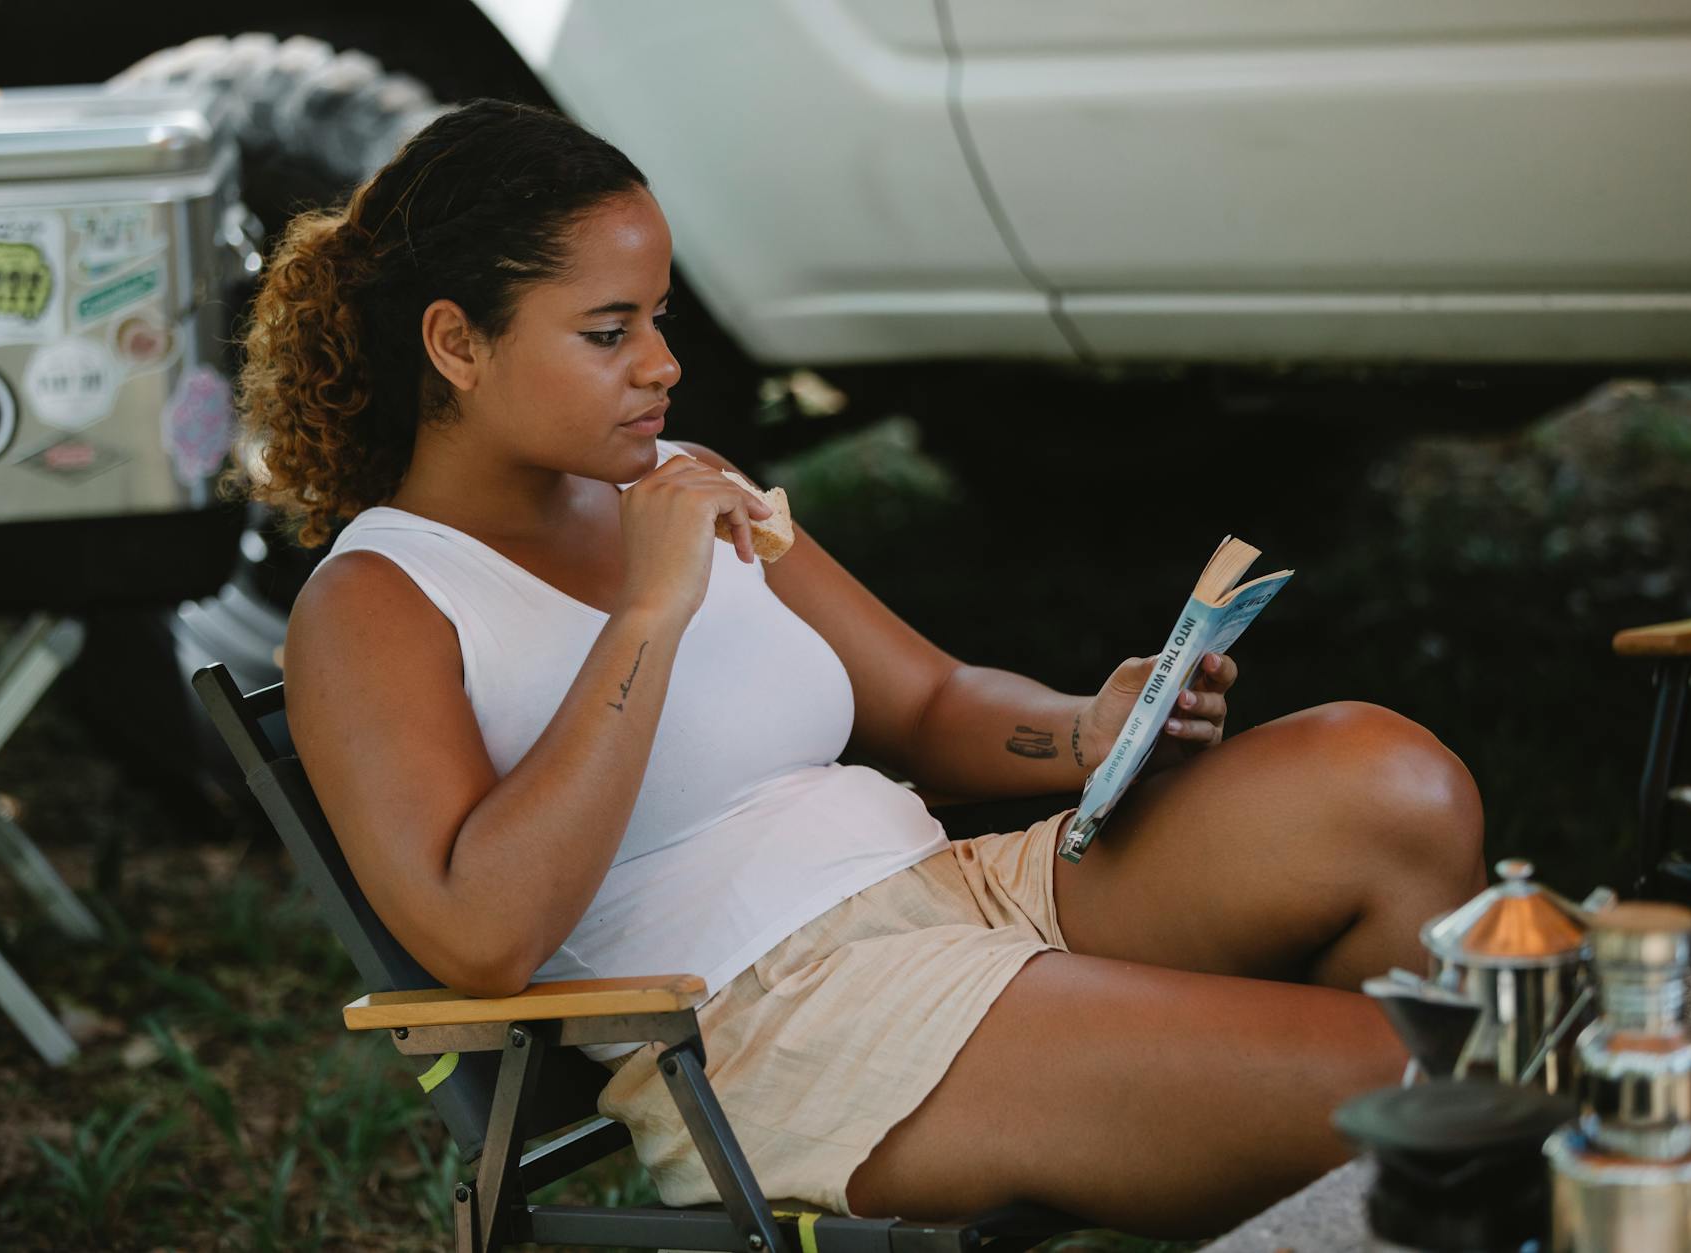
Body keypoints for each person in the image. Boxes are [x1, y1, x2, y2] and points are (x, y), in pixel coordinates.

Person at [241, 99, 1486, 1237]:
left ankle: (1422, 1194)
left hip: (955, 888)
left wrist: (1086, 730)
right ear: (456, 344)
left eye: (660, 317)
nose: (661, 365)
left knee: (1387, 783)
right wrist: (648, 608)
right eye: (607, 331)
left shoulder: (690, 478)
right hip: (782, 1024)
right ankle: (1507, 1156)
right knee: (1423, 1079)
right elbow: (482, 937)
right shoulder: (377, 604)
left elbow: (928, 699)